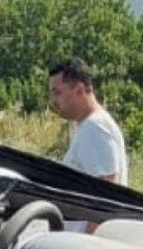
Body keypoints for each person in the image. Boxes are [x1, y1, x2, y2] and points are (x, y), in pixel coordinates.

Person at [49, 59, 128, 187]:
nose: (53, 101)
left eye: (57, 93)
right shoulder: (89, 126)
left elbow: (107, 189)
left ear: (79, 90)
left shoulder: (95, 127)